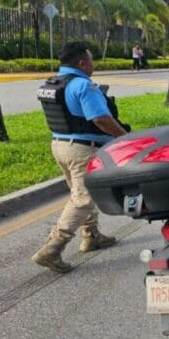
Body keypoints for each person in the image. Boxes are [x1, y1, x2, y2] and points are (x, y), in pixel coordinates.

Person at [33, 41, 130, 273]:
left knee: (80, 193)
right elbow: (101, 119)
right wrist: (124, 137)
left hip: (60, 146)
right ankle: (52, 249)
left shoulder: (54, 83)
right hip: (83, 150)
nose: (93, 64)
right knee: (83, 199)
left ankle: (91, 235)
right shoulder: (83, 86)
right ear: (82, 63)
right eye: (91, 59)